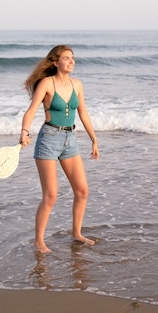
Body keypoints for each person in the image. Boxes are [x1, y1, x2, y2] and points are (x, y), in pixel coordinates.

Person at [19, 45, 99, 254]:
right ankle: (39, 241)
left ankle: (76, 233)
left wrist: (94, 139)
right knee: (51, 195)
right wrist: (24, 131)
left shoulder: (77, 85)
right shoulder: (47, 83)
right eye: (66, 58)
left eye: (72, 58)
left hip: (69, 140)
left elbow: (84, 114)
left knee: (82, 191)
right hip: (49, 140)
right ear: (55, 62)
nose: (71, 61)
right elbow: (31, 111)